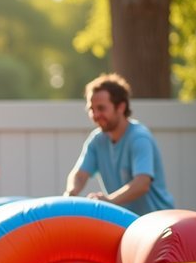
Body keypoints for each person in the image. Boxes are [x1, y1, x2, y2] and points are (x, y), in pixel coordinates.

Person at [64, 72, 174, 215]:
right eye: (92, 109)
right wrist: (69, 195)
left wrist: (108, 201)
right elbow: (79, 176)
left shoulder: (139, 137)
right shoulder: (97, 140)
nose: (96, 115)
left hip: (158, 224)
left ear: (121, 107)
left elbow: (142, 184)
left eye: (101, 108)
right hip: (126, 224)